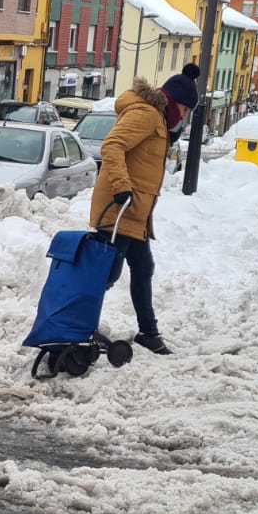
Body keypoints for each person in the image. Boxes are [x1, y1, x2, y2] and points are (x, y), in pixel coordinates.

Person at [88, 64, 200, 357]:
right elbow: (112, 145)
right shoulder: (147, 115)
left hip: (134, 212)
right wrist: (122, 186)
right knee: (107, 273)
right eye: (184, 109)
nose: (185, 116)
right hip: (120, 206)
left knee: (142, 268)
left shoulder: (159, 121)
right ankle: (78, 324)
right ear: (172, 101)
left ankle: (148, 333)